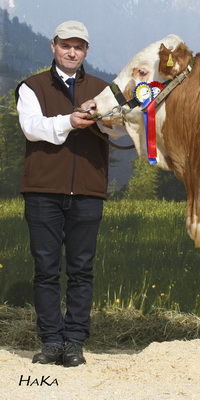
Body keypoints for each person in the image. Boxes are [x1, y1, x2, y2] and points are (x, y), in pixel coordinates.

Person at [15, 21, 123, 367]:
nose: (72, 52)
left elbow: (119, 132)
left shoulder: (103, 89)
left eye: (79, 46)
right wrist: (70, 121)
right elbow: (32, 129)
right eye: (66, 46)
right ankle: (50, 340)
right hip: (43, 191)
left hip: (89, 191)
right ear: (53, 47)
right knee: (46, 269)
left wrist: (104, 118)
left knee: (81, 269)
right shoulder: (31, 87)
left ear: (86, 51)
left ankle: (74, 341)